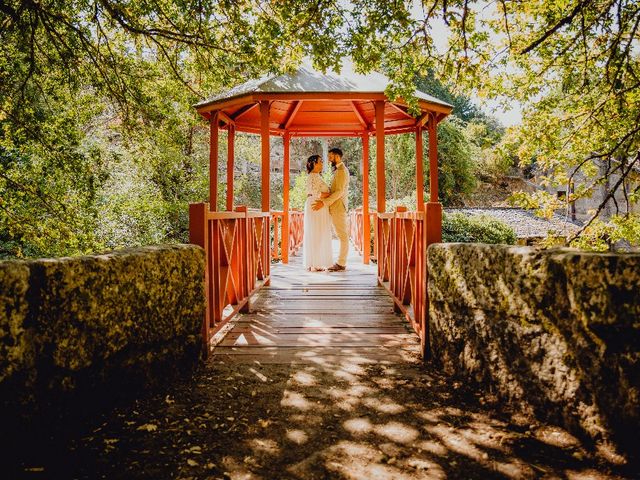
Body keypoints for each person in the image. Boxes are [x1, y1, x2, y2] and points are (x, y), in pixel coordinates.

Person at [312, 147, 350, 271]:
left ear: (337, 157)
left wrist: (324, 203)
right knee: (341, 235)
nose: (328, 159)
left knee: (342, 236)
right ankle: (339, 262)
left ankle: (341, 263)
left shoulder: (342, 171)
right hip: (335, 207)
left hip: (338, 208)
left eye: (330, 157)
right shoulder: (338, 170)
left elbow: (339, 192)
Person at [303, 155, 333, 271]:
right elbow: (317, 193)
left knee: (318, 233)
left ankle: (316, 262)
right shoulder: (312, 176)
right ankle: (315, 264)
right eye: (320, 162)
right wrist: (330, 194)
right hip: (316, 205)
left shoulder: (316, 176)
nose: (322, 164)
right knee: (316, 232)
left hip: (319, 205)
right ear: (314, 164)